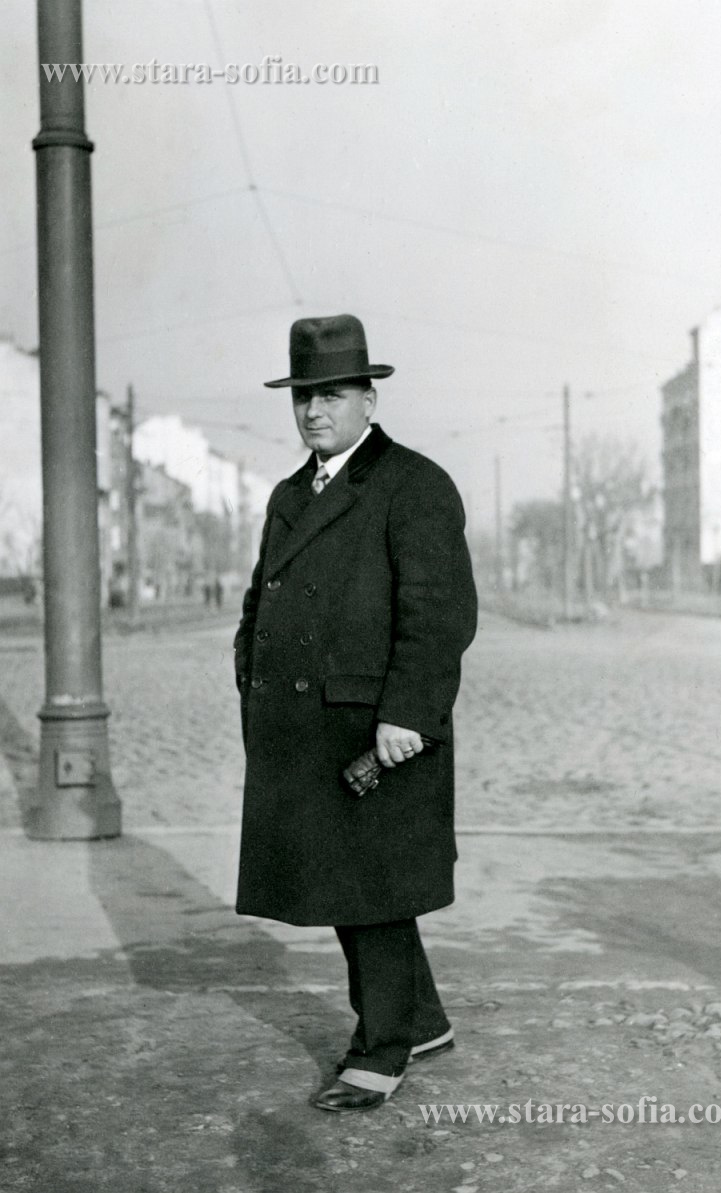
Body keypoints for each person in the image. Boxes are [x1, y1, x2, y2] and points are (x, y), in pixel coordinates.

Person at [233, 313, 478, 1113]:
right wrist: (251, 679)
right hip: (303, 730)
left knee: (371, 890)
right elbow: (261, 600)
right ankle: (423, 1020)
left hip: (378, 730)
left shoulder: (414, 484)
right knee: (350, 885)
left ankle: (380, 1049)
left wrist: (408, 712)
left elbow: (440, 615)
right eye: (303, 396)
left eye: (332, 394)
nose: (314, 410)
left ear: (369, 400)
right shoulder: (289, 493)